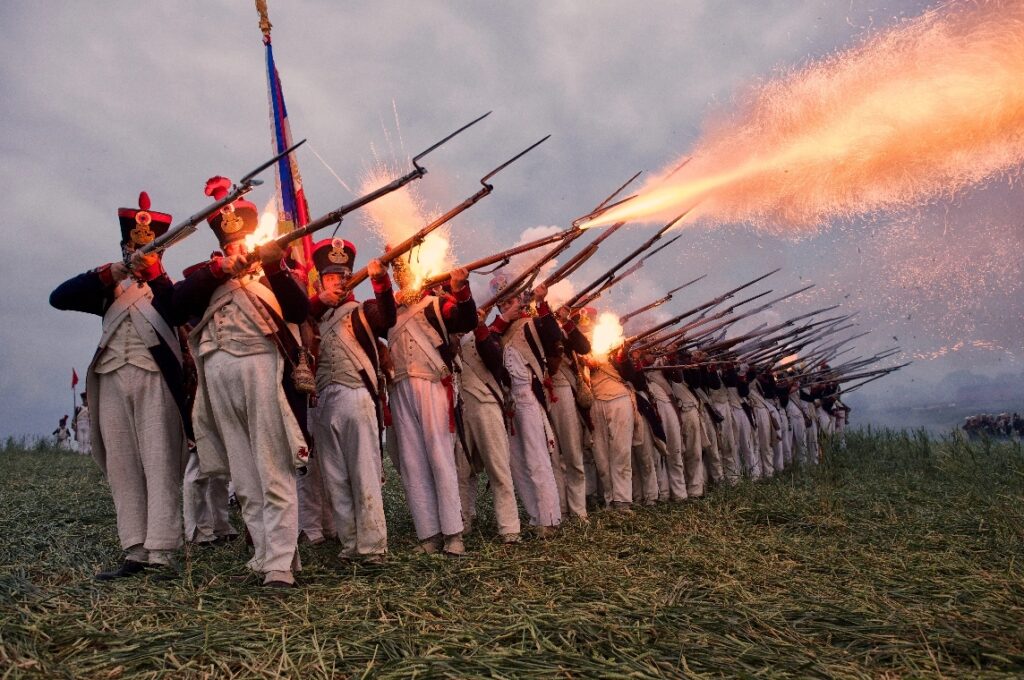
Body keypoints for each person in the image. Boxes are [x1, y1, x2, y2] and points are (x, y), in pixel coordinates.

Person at [172, 176, 310, 588]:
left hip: (261, 372)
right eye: (230, 245)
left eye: (242, 243)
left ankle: (280, 564)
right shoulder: (208, 281)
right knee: (246, 481)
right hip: (218, 382)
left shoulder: (273, 276)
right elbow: (173, 305)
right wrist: (218, 272)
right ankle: (266, 554)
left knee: (274, 471)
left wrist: (273, 264)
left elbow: (299, 309)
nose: (237, 250)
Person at [49, 191, 188, 580]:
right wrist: (112, 271)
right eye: (133, 247)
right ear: (125, 247)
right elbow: (59, 298)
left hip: (154, 379)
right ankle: (135, 550)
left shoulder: (167, 288)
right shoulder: (108, 288)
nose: (140, 253)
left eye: (149, 247)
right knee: (122, 466)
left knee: (159, 463)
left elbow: (179, 308)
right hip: (110, 378)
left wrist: (155, 274)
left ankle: (162, 551)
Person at [307, 238, 396, 563]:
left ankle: (372, 546)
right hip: (322, 401)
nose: (337, 281)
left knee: (363, 472)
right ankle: (349, 544)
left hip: (356, 394)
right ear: (320, 281)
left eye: (342, 276)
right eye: (331, 277)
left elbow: (387, 317)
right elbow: (298, 315)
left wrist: (380, 280)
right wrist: (319, 302)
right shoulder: (312, 316)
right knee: (335, 478)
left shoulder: (363, 311)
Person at [387, 259, 476, 556]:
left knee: (440, 458)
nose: (401, 276)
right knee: (412, 463)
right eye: (397, 272)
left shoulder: (437, 304)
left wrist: (459, 289)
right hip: (400, 388)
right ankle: (428, 534)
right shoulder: (389, 310)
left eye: (405, 269)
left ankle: (453, 534)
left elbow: (465, 320)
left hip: (433, 383)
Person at [490, 279, 562, 537]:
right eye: (502, 303)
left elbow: (554, 336)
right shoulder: (498, 331)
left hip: (529, 396)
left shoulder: (532, 323)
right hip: (509, 402)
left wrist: (541, 302)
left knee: (537, 459)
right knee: (518, 464)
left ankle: (549, 518)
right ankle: (535, 516)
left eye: (510, 300)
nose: (506, 306)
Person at [455, 320, 522, 543]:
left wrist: (481, 330)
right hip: (460, 407)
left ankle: (509, 527)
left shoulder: (487, 334)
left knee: (498, 467)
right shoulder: (445, 333)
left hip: (486, 403)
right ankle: (462, 522)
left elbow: (496, 363)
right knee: (461, 471)